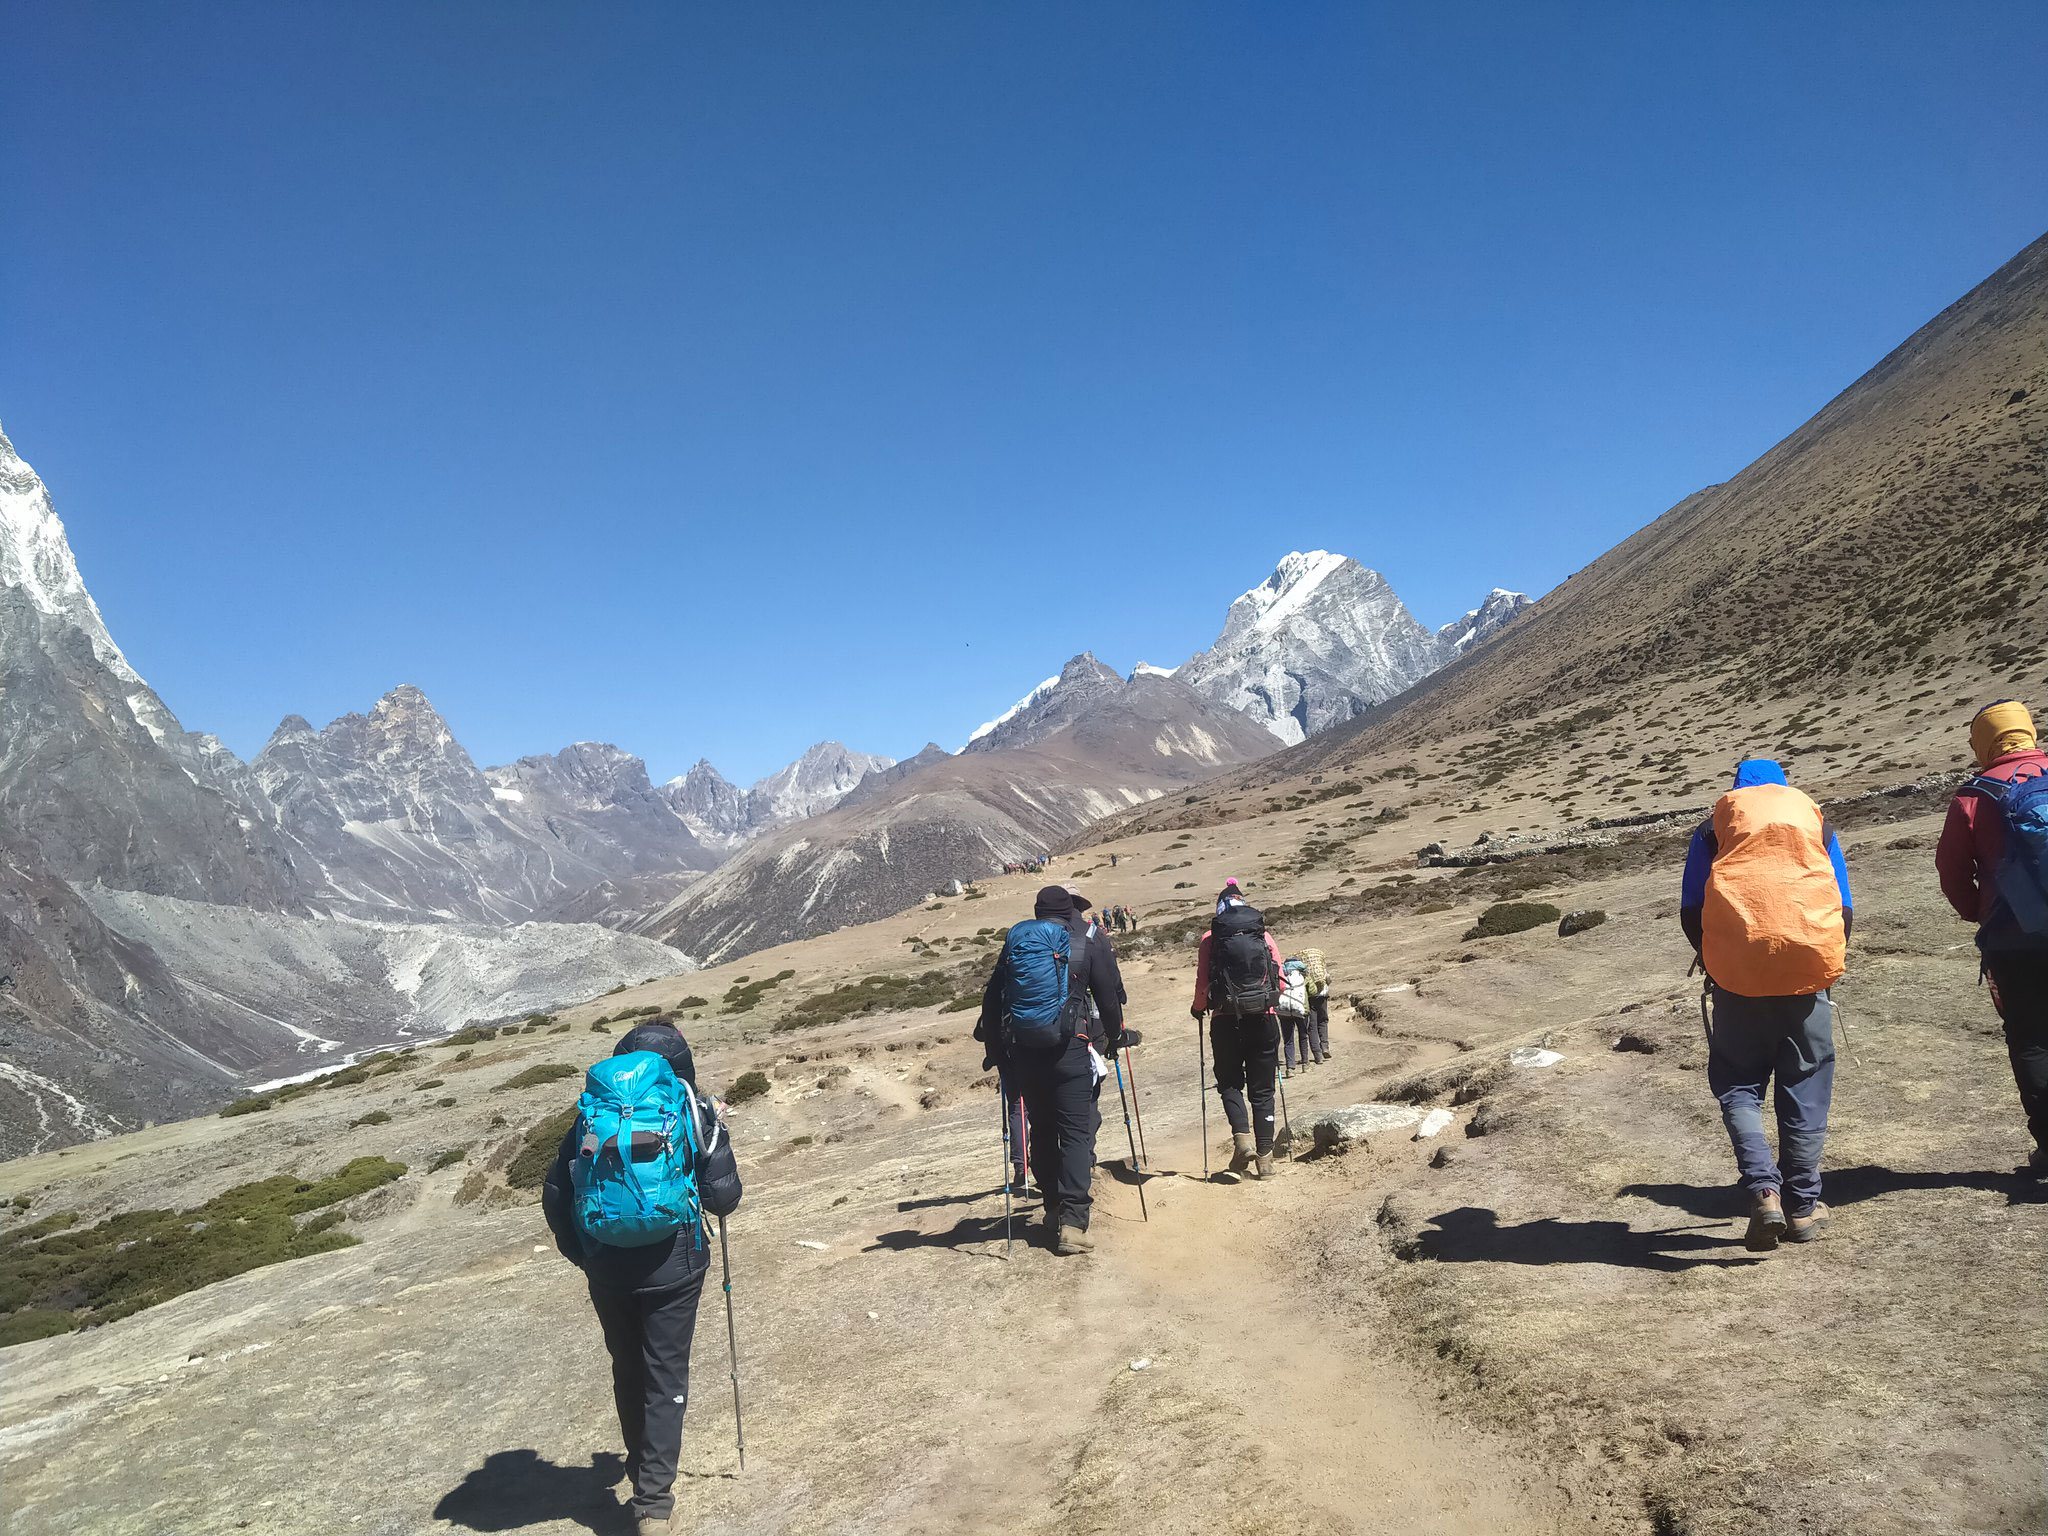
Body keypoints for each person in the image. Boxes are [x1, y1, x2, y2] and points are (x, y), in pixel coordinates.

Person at [541, 1020, 744, 1536]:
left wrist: (584, 1255)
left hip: (607, 1266)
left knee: (628, 1368)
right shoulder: (692, 1108)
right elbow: (723, 1199)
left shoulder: (591, 1114)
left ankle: (639, 1470)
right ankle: (653, 1505)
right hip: (675, 1267)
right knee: (665, 1375)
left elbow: (556, 1193)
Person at [1680, 760, 1850, 1251]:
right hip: (1806, 977)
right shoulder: (1817, 822)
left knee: (1738, 1082)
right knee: (1806, 1087)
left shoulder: (1712, 830)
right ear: (1784, 786)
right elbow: (1843, 904)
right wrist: (1824, 964)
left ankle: (1763, 1192)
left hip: (1737, 980)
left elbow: (1693, 909)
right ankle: (1802, 1208)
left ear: (1736, 791)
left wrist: (1716, 963)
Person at [977, 885, 1134, 1254]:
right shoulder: (1085, 942)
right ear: (1068, 913)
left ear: (1036, 911)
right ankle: (1074, 1224)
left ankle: (1051, 1208)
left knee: (1043, 1130)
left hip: (1025, 1053)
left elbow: (991, 997)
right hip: (1072, 1050)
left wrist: (996, 1051)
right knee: (1076, 1132)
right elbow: (1108, 997)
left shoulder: (1017, 942)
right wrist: (1114, 1038)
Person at [1936, 699, 2048, 1179]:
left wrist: (1976, 911)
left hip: (2012, 937)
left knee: (2031, 1040)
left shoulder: (1972, 797)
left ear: (1984, 741)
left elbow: (1953, 872)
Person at [1191, 881, 1286, 1178]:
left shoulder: (1210, 938)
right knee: (1263, 1090)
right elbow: (1280, 981)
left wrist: (1197, 1008)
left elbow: (1203, 983)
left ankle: (1243, 1140)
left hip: (1224, 1021)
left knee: (1230, 1083)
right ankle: (1266, 1160)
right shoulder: (1263, 934)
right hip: (1263, 1018)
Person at [1278, 956, 1313, 1073]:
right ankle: (1305, 1063)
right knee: (1303, 1036)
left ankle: (1290, 1067)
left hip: (1284, 1011)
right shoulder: (1303, 976)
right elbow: (1312, 990)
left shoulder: (1280, 976)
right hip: (1301, 1010)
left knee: (1288, 1039)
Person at [1301, 946, 1332, 1062]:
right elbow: (1328, 980)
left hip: (1310, 998)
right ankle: (1325, 1047)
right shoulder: (1321, 968)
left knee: (1312, 1025)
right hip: (1323, 996)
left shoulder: (1305, 971)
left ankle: (1317, 1054)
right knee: (1323, 1021)